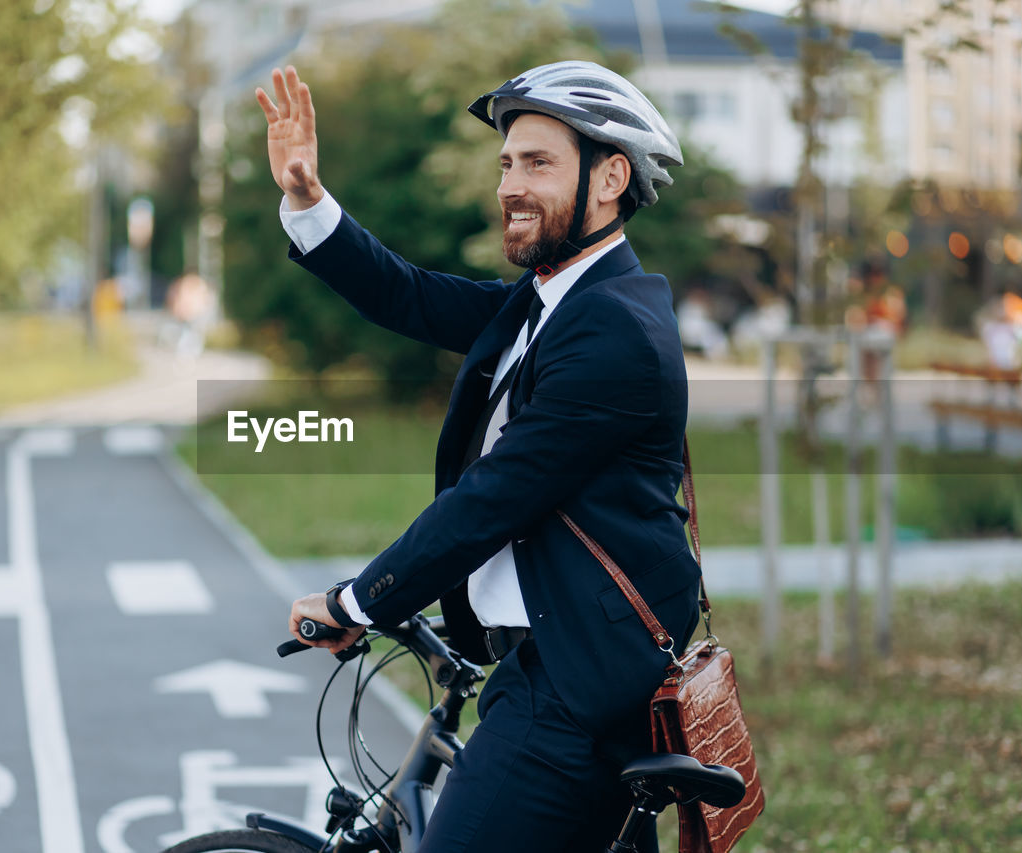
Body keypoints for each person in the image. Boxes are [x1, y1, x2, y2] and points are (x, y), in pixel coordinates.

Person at [257, 62, 702, 852]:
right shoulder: (549, 304)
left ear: (611, 178)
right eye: (506, 163)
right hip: (554, 662)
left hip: (570, 693)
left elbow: (495, 496)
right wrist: (306, 197)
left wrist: (359, 602)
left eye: (537, 163)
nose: (509, 185)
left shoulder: (612, 333)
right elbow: (410, 295)